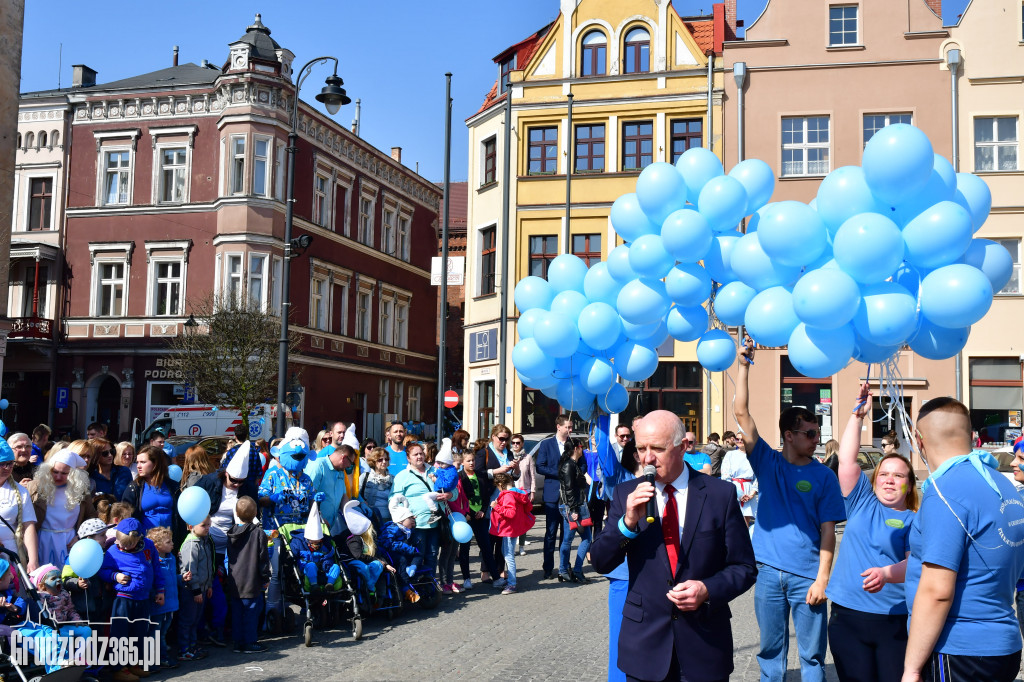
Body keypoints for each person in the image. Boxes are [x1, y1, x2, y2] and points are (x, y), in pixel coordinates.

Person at [591, 410, 757, 682]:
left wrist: (707, 589)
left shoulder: (719, 495)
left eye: (657, 448)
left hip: (704, 644)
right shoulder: (625, 495)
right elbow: (600, 561)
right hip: (645, 647)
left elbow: (744, 567)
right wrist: (628, 521)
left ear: (682, 448)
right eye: (641, 448)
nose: (647, 458)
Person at [735, 338, 846, 682]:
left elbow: (829, 531)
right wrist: (743, 365)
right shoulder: (767, 462)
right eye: (810, 433)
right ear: (789, 435)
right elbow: (742, 413)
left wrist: (823, 579)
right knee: (771, 651)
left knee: (813, 656)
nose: (816, 438)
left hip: (807, 575)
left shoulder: (824, 476)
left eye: (817, 432)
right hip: (767, 571)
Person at [902, 397, 1024, 682]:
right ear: (971, 435)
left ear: (919, 441)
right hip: (1003, 646)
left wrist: (912, 668)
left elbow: (937, 591)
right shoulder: (1004, 485)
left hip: (960, 649)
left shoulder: (945, 492)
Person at [826, 382, 917, 682]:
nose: (890, 480)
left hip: (893, 619)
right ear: (875, 479)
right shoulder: (862, 502)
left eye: (899, 475)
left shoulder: (913, 520)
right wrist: (858, 416)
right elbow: (848, 460)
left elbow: (914, 564)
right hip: (847, 616)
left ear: (909, 484)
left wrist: (887, 573)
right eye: (885, 474)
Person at [99, 518, 164, 682]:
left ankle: (134, 663)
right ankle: (120, 668)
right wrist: (115, 576)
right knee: (120, 634)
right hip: (123, 599)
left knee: (139, 632)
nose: (123, 547)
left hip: (143, 598)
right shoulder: (113, 552)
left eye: (128, 545)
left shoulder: (148, 546)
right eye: (121, 543)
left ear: (139, 539)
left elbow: (156, 567)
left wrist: (160, 590)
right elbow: (103, 570)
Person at [391, 442, 453, 577]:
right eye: (415, 454)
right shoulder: (402, 476)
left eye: (421, 453)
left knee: (432, 555)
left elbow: (453, 489)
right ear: (408, 458)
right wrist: (405, 518)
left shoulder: (436, 470)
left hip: (436, 522)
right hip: (416, 524)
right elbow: (394, 500)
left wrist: (450, 494)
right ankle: (415, 586)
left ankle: (430, 586)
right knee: (417, 555)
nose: (419, 456)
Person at [29, 449, 96, 567]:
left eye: (64, 473)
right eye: (55, 471)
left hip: (69, 541)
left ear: (73, 474)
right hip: (43, 540)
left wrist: (81, 536)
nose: (58, 476)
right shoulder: (36, 486)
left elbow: (91, 516)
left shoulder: (80, 490)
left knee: (68, 577)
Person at [473, 424, 518, 584]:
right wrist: (497, 471)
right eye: (501, 439)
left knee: (502, 537)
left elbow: (515, 477)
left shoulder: (509, 453)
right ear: (493, 437)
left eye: (507, 439)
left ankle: (499, 569)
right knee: (489, 538)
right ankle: (485, 570)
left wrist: (516, 469)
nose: (504, 442)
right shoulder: (483, 453)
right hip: (489, 500)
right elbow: (478, 473)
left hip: (506, 500)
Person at [225, 496, 270, 654]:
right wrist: (265, 578)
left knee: (237, 612)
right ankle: (250, 641)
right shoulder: (259, 533)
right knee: (251, 612)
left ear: (236, 513)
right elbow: (262, 558)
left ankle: (238, 642)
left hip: (235, 580)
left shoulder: (230, 533)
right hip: (252, 580)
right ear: (256, 512)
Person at [536, 415, 570, 580]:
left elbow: (583, 464)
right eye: (567, 427)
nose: (570, 430)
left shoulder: (573, 443)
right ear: (558, 426)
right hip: (552, 494)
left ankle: (565, 567)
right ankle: (548, 568)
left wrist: (574, 474)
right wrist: (559, 473)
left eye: (571, 427)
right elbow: (540, 466)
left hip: (569, 496)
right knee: (551, 533)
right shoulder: (546, 444)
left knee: (567, 534)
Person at [457, 451, 498, 591]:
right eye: (468, 460)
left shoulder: (480, 475)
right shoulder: (459, 477)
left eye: (473, 460)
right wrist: (470, 512)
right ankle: (467, 578)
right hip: (467, 517)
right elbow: (460, 498)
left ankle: (496, 577)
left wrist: (483, 510)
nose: (471, 463)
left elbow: (486, 494)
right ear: (462, 462)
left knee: (486, 546)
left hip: (481, 516)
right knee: (465, 549)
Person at [489, 472, 534, 595]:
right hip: (512, 528)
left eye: (498, 487)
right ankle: (510, 581)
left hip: (508, 529)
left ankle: (512, 584)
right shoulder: (516, 493)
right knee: (507, 554)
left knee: (508, 556)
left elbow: (510, 513)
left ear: (500, 484)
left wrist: (496, 506)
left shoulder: (508, 495)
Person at [121, 446, 179, 538]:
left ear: (155, 463)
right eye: (137, 462)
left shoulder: (174, 487)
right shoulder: (134, 488)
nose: (138, 466)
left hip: (170, 542)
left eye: (143, 462)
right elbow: (126, 518)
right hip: (145, 543)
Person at [178, 516, 213, 663]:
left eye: (208, 525)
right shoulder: (191, 544)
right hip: (191, 590)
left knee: (195, 619)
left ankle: (192, 646)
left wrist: (209, 585)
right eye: (203, 525)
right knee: (187, 620)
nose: (207, 528)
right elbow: (190, 571)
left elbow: (208, 566)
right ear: (191, 526)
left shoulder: (204, 541)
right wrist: (197, 590)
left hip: (202, 589)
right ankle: (184, 649)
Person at [557, 438, 593, 584]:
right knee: (585, 538)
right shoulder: (569, 466)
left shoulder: (573, 464)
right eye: (582, 447)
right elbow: (569, 489)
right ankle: (572, 570)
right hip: (573, 507)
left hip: (574, 506)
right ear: (576, 448)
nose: (583, 450)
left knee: (569, 539)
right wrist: (573, 509)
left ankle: (565, 570)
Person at [0, 437, 39, 571]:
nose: (7, 467)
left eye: (10, 463)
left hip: (10, 554)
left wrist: (33, 560)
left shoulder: (21, 491)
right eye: (2, 463)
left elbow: (28, 527)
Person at [146, 526, 180, 670]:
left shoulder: (171, 558)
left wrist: (181, 578)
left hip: (171, 604)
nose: (172, 544)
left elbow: (172, 579)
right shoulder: (153, 563)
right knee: (155, 634)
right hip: (159, 605)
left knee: (163, 632)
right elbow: (153, 583)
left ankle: (162, 657)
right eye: (168, 542)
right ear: (157, 546)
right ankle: (156, 659)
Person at [380, 500, 421, 602]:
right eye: (410, 518)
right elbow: (388, 543)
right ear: (401, 520)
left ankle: (412, 569)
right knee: (402, 559)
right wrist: (406, 547)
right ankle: (405, 588)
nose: (413, 520)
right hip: (388, 553)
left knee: (418, 554)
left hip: (400, 551)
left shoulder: (407, 530)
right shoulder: (392, 528)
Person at [720, 439, 758, 528]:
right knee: (733, 520)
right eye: (738, 439)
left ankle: (745, 541)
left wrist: (752, 493)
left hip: (748, 490)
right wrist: (739, 493)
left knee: (745, 523)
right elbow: (725, 475)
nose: (740, 441)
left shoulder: (754, 456)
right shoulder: (730, 454)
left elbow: (757, 476)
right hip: (734, 488)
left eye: (742, 439)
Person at [510, 434, 534, 555]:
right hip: (511, 492)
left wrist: (533, 491)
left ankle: (521, 546)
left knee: (523, 520)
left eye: (518, 443)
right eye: (513, 442)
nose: (515, 445)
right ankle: (512, 547)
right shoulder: (508, 456)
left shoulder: (528, 457)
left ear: (522, 444)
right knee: (512, 519)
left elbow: (532, 476)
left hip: (525, 491)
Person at [359, 448, 393, 525]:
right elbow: (356, 494)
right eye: (380, 460)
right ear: (373, 461)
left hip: (389, 519)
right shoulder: (365, 477)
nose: (384, 462)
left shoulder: (393, 479)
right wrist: (362, 503)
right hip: (370, 518)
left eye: (386, 459)